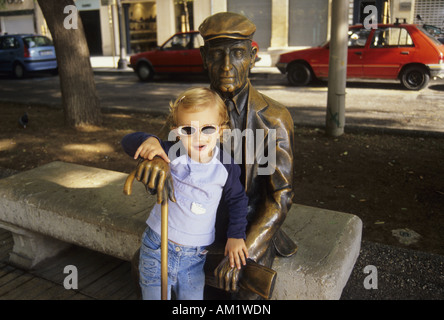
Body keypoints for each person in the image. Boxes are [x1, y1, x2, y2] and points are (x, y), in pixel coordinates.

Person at [124, 12, 297, 299]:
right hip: (191, 226)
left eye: (238, 53)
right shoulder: (190, 109)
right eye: (217, 55)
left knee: (243, 293)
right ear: (204, 58)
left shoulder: (273, 120)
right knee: (142, 269)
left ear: (253, 56)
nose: (227, 66)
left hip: (248, 225)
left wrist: (244, 248)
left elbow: (280, 196)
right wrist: (155, 162)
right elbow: (160, 151)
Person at [121, 87, 249, 300]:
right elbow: (127, 142)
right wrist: (149, 140)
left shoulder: (226, 166)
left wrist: (236, 235)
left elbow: (237, 200)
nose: (198, 137)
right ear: (176, 131)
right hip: (158, 245)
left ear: (220, 131)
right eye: (188, 130)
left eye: (207, 129)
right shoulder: (171, 152)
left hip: (195, 256)